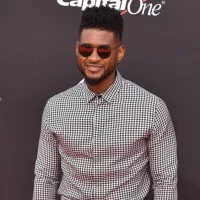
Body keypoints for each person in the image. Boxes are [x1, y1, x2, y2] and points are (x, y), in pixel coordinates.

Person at [32, 5, 178, 200]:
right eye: (86, 49)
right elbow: (45, 177)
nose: (93, 58)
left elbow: (164, 180)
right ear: (77, 49)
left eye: (103, 51)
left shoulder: (152, 108)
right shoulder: (55, 107)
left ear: (120, 52)